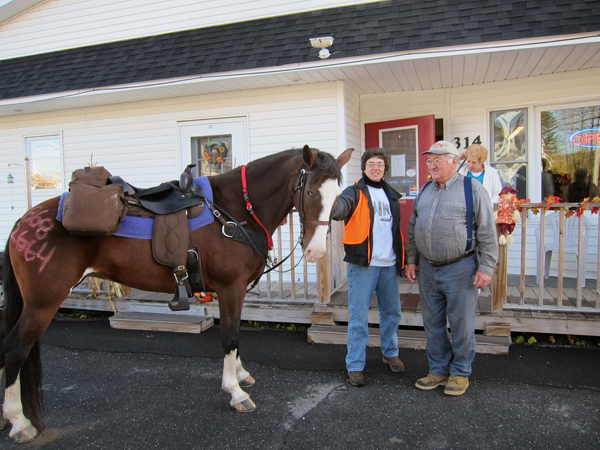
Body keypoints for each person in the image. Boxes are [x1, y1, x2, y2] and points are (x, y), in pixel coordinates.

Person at [405, 140, 498, 396]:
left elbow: (488, 232)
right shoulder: (425, 189)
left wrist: (487, 267)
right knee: (432, 323)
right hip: (428, 270)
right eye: (429, 161)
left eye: (438, 160)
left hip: (461, 268)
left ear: (454, 162)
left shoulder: (473, 189)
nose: (431, 165)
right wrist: (411, 260)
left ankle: (459, 372)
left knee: (461, 324)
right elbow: (413, 227)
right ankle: (438, 370)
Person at [331, 147, 405, 387]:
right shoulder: (353, 192)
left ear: (385, 169)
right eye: (371, 164)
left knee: (392, 313)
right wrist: (332, 201)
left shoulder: (391, 195)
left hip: (389, 264)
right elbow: (339, 210)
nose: (376, 168)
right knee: (359, 318)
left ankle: (390, 353)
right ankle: (355, 365)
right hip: (364, 264)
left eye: (380, 165)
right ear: (364, 168)